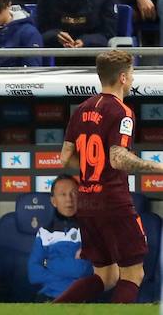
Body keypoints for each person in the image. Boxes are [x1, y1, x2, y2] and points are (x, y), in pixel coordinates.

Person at [55, 50, 163, 303]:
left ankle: (52, 309)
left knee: (106, 276)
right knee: (133, 274)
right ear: (123, 77)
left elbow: (65, 158)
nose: (134, 79)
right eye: (133, 73)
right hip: (113, 201)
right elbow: (118, 158)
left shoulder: (81, 109)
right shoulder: (122, 112)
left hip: (87, 201)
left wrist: (93, 170)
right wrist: (159, 167)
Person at [28, 175, 94, 301]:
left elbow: (83, 270)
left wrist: (49, 263)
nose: (69, 199)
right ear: (54, 201)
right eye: (63, 194)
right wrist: (71, 270)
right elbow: (33, 273)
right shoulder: (44, 233)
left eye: (73, 194)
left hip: (81, 298)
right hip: (48, 298)